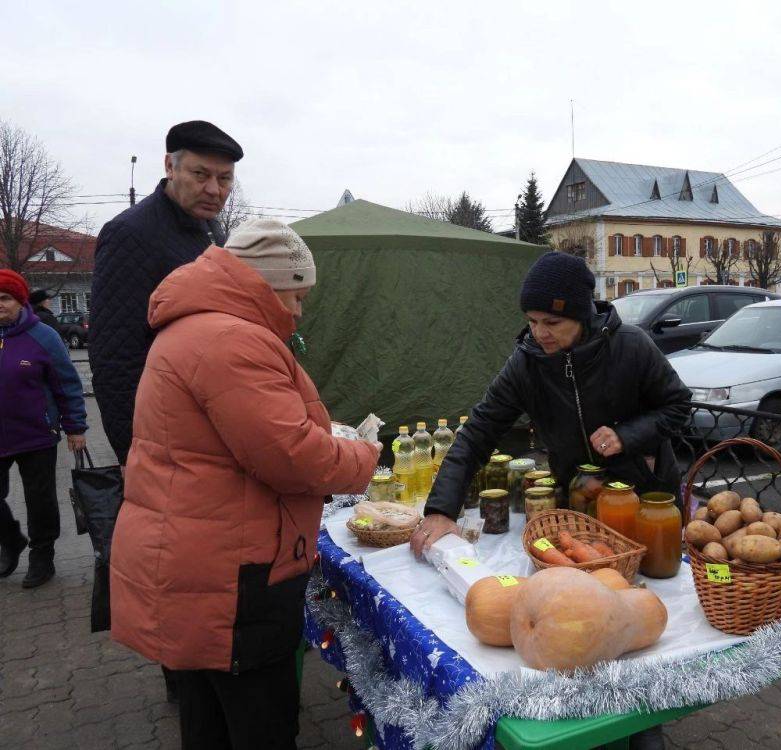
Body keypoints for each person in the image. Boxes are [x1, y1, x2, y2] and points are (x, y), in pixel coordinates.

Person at [110, 219, 380, 749]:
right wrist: (363, 456)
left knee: (207, 713)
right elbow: (293, 456)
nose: (299, 311)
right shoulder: (231, 339)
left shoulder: (198, 325)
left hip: (198, 557)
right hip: (232, 572)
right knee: (260, 722)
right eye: (296, 296)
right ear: (266, 284)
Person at [412, 252, 689, 750]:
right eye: (533, 321)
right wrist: (440, 509)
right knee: (580, 615)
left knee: (637, 613)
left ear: (581, 315)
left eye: (553, 322)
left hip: (641, 504)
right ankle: (590, 722)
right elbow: (477, 432)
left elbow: (678, 405)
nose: (540, 332)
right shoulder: (528, 363)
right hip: (578, 511)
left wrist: (629, 435)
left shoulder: (632, 347)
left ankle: (645, 724)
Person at [90, 119, 243, 465]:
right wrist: (135, 456)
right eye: (200, 175)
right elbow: (115, 359)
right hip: (164, 435)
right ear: (169, 167)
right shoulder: (130, 234)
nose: (214, 190)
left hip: (209, 423)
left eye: (225, 178)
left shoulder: (211, 229)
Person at [0, 270, 87, 588]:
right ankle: (10, 538)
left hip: (36, 433)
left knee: (40, 500)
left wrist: (75, 426)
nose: (0, 305)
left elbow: (67, 383)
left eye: (5, 298)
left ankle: (42, 555)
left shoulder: (43, 336)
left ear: (20, 301)